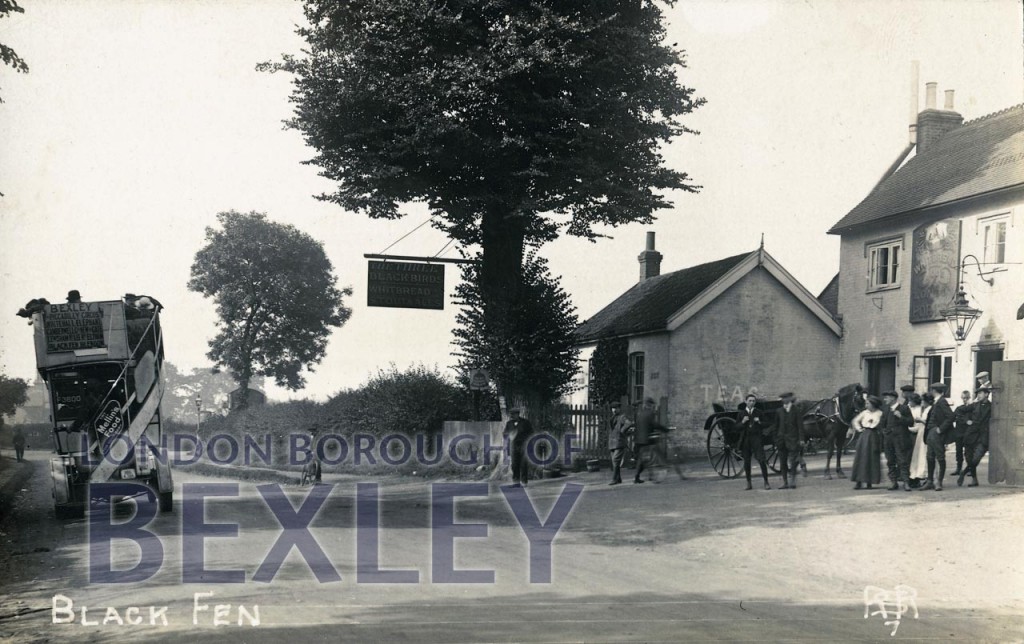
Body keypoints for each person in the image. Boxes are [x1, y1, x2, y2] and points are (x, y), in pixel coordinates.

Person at [923, 382, 954, 491]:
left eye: (931, 390)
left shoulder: (942, 401)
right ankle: (930, 481)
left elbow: (950, 417)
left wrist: (941, 429)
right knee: (930, 457)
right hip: (931, 433)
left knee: (940, 457)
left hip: (936, 433)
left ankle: (938, 482)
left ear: (935, 391)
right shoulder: (937, 402)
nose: (930, 392)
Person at [959, 387, 992, 488]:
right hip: (971, 435)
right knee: (969, 459)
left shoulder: (992, 407)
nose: (978, 395)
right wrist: (966, 421)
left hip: (983, 436)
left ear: (986, 394)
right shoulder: (974, 405)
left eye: (980, 393)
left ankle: (963, 472)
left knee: (976, 459)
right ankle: (974, 480)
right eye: (977, 394)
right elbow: (959, 411)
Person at [850, 395, 884, 489]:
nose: (866, 405)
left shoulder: (880, 413)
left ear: (873, 404)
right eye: (866, 403)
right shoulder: (864, 413)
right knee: (861, 457)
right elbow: (855, 421)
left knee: (872, 457)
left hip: (874, 436)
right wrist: (859, 429)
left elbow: (882, 425)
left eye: (868, 403)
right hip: (864, 436)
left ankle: (870, 481)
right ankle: (858, 481)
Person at [881, 390, 913, 491]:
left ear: (893, 398)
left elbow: (911, 422)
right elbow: (882, 424)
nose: (884, 399)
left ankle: (906, 482)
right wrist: (885, 433)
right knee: (890, 461)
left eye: (886, 397)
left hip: (901, 440)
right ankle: (893, 482)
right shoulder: (885, 410)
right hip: (889, 440)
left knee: (902, 461)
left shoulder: (904, 408)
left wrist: (901, 416)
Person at [738, 393, 771, 490]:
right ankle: (749, 483)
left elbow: (767, 423)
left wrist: (759, 422)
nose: (751, 403)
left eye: (753, 401)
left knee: (761, 460)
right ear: (746, 402)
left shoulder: (759, 412)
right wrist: (742, 422)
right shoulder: (741, 414)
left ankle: (766, 482)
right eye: (750, 401)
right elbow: (735, 427)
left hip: (756, 438)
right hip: (746, 439)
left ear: (755, 402)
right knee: (747, 462)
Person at [773, 392, 803, 490]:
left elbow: (800, 426)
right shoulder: (779, 411)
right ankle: (785, 482)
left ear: (790, 399)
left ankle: (793, 481)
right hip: (781, 441)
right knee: (782, 462)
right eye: (782, 398)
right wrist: (776, 439)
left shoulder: (796, 410)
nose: (783, 400)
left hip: (793, 440)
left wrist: (801, 439)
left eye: (785, 398)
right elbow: (776, 426)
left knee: (793, 461)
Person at [632, 397, 664, 484]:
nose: (653, 406)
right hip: (646, 440)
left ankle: (640, 477)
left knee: (642, 459)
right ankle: (650, 476)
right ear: (650, 405)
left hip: (639, 440)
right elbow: (654, 424)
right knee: (649, 458)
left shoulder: (640, 413)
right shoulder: (650, 413)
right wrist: (664, 429)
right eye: (652, 405)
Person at [503, 409, 534, 488]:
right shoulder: (509, 424)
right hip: (513, 446)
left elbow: (531, 434)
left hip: (524, 445)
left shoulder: (525, 422)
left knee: (523, 464)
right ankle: (516, 482)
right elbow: (505, 434)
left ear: (518, 414)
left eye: (513, 414)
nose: (512, 416)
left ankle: (524, 482)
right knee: (514, 464)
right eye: (511, 414)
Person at [606, 401, 631, 486]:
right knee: (614, 462)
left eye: (616, 408)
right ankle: (618, 478)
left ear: (619, 409)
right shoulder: (612, 418)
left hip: (619, 442)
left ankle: (614, 479)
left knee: (616, 460)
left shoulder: (622, 417)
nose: (614, 410)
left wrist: (622, 430)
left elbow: (628, 423)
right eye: (613, 408)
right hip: (612, 442)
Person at [908, 393, 929, 484]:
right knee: (914, 457)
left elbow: (919, 425)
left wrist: (909, 429)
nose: (909, 403)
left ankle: (919, 476)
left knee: (918, 456)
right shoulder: (910, 408)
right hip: (914, 433)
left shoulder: (920, 410)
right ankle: (912, 476)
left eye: (910, 401)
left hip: (917, 434)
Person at [951, 390, 973, 476]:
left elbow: (973, 418)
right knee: (958, 451)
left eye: (967, 398)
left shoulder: (972, 408)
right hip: (959, 432)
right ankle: (958, 468)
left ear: (969, 398)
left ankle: (970, 468)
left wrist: (961, 418)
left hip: (968, 433)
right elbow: (955, 417)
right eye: (963, 398)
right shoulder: (959, 408)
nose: (965, 400)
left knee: (969, 452)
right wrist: (965, 420)